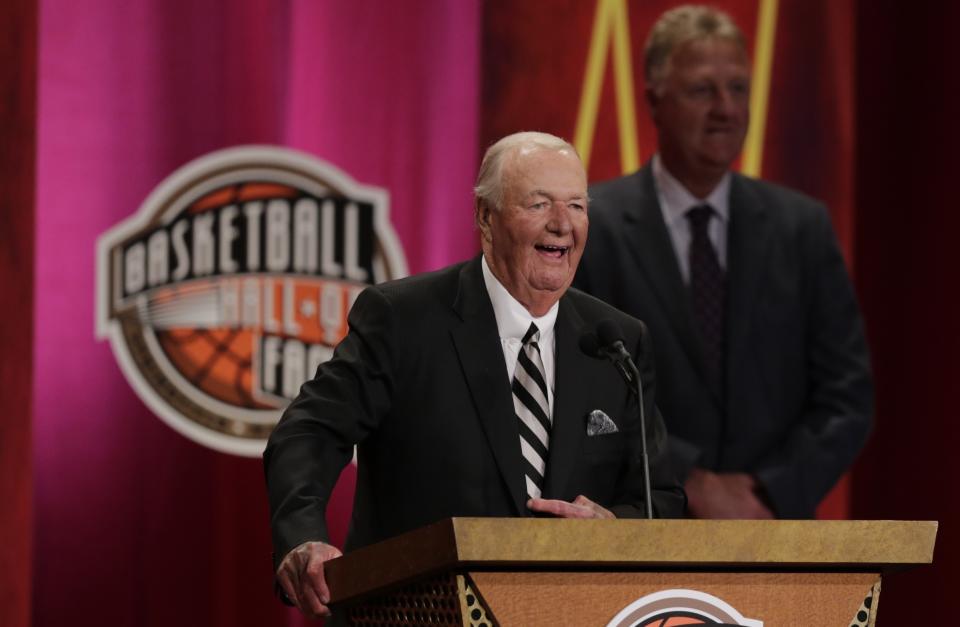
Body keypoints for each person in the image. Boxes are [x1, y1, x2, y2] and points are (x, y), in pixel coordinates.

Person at [264, 131, 685, 619]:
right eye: (539, 203)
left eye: (576, 205)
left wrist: (614, 530)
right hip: (415, 614)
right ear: (486, 217)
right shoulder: (403, 320)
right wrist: (304, 537)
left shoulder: (617, 342)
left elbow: (660, 497)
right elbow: (309, 431)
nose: (562, 224)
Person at [574, 5, 873, 520]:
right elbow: (581, 391)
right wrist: (689, 480)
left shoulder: (803, 228)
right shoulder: (590, 226)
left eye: (737, 89)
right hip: (642, 532)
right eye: (701, 90)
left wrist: (767, 492)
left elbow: (847, 399)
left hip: (775, 539)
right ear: (654, 101)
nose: (725, 109)